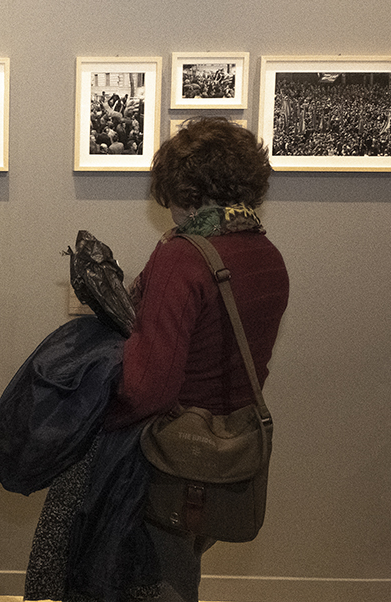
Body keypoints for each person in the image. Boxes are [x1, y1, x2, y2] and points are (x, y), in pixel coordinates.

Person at [108, 117, 290, 601]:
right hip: (224, 453)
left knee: (153, 581)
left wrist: (98, 416)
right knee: (183, 567)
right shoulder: (267, 253)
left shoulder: (184, 257)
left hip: (168, 454)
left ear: (185, 189)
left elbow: (150, 385)